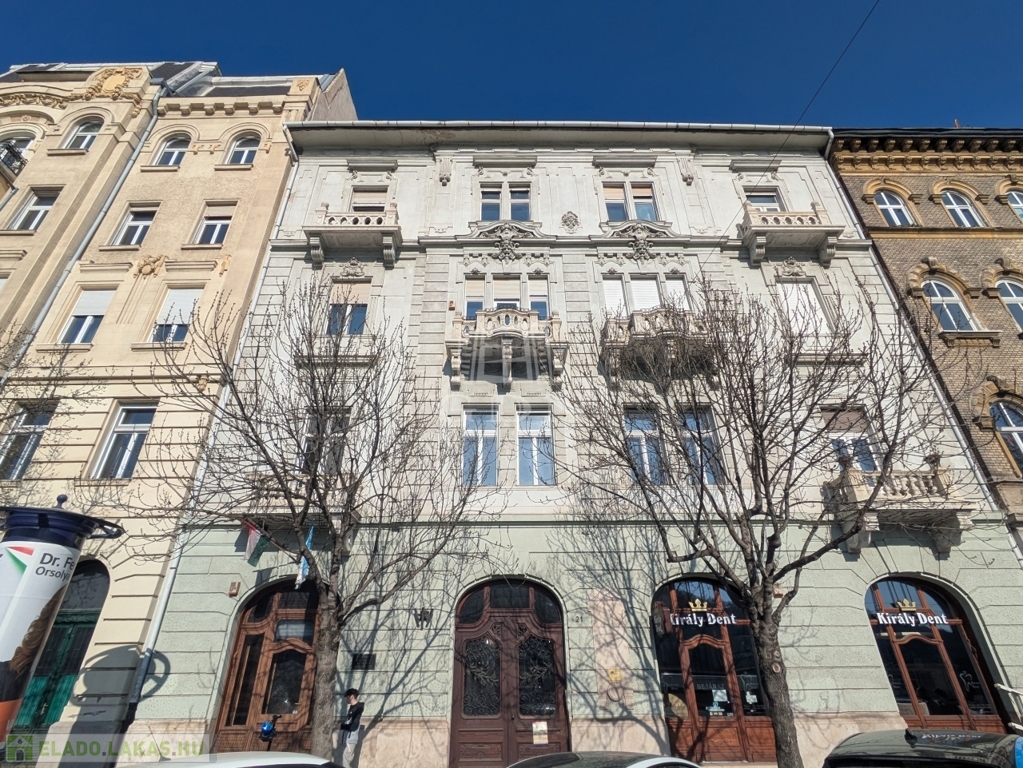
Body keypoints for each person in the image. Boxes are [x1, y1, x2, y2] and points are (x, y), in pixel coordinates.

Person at [339, 688, 364, 768]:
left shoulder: (357, 709)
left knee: (346, 760)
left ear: (352, 696)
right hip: (347, 739)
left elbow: (354, 726)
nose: (346, 699)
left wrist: (342, 726)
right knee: (345, 760)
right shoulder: (353, 708)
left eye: (347, 697)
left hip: (350, 739)